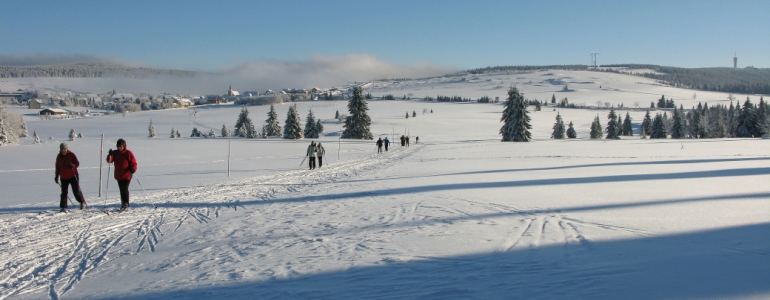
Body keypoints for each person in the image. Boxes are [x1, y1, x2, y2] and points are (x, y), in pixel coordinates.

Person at [106, 139, 137, 212]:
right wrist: (110, 154)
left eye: (121, 146)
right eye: (118, 146)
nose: (119, 148)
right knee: (121, 190)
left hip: (127, 175)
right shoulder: (115, 153)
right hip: (118, 175)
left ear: (124, 146)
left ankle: (126, 204)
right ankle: (123, 203)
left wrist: (133, 169)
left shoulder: (128, 153)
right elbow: (109, 160)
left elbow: (134, 163)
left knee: (124, 189)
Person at [55, 143, 86, 212]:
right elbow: (57, 167)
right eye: (62, 149)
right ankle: (63, 207)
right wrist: (56, 176)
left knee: (76, 191)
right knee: (64, 193)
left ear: (67, 149)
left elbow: (77, 163)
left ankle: (82, 202)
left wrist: (73, 165)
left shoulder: (71, 155)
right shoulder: (59, 157)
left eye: (64, 149)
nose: (63, 150)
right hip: (63, 177)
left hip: (73, 175)